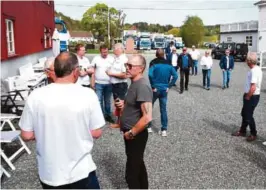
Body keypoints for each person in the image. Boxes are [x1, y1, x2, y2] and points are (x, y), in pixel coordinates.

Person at [19, 52, 105, 189]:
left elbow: (26, 135)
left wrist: (45, 131)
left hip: (49, 173)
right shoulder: (88, 95)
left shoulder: (35, 96)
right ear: (75, 71)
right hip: (80, 171)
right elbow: (96, 132)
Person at [113, 55, 153, 189]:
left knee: (131, 174)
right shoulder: (134, 83)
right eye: (126, 65)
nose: (127, 68)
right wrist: (124, 104)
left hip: (136, 134)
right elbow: (136, 105)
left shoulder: (142, 86)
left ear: (140, 69)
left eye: (130, 66)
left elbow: (147, 117)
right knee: (138, 165)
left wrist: (131, 133)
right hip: (130, 133)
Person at [232, 52, 262, 142]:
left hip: (252, 96)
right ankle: (242, 131)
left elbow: (253, 87)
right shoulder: (256, 69)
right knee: (244, 113)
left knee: (248, 115)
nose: (245, 61)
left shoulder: (254, 71)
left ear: (249, 61)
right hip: (251, 95)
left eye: (246, 59)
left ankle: (253, 133)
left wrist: (248, 96)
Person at [148, 49, 178, 136]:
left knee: (150, 107)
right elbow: (175, 76)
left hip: (155, 88)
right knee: (163, 109)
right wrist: (169, 86)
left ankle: (149, 127)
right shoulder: (168, 63)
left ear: (156, 54)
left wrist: (153, 85)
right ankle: (164, 129)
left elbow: (150, 74)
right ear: (164, 54)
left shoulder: (153, 63)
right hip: (164, 89)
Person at [91, 44, 115, 123]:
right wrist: (92, 83)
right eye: (103, 52)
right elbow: (93, 71)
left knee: (107, 101)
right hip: (98, 84)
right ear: (100, 52)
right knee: (99, 100)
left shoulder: (112, 59)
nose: (105, 54)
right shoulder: (96, 59)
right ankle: (100, 115)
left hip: (109, 84)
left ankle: (108, 115)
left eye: (106, 52)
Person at [106, 43, 128, 125]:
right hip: (115, 85)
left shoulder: (124, 59)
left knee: (120, 104)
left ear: (120, 49)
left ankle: (122, 123)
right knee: (117, 104)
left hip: (120, 85)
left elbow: (124, 75)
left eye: (114, 48)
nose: (113, 50)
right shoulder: (116, 58)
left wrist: (111, 74)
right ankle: (119, 122)